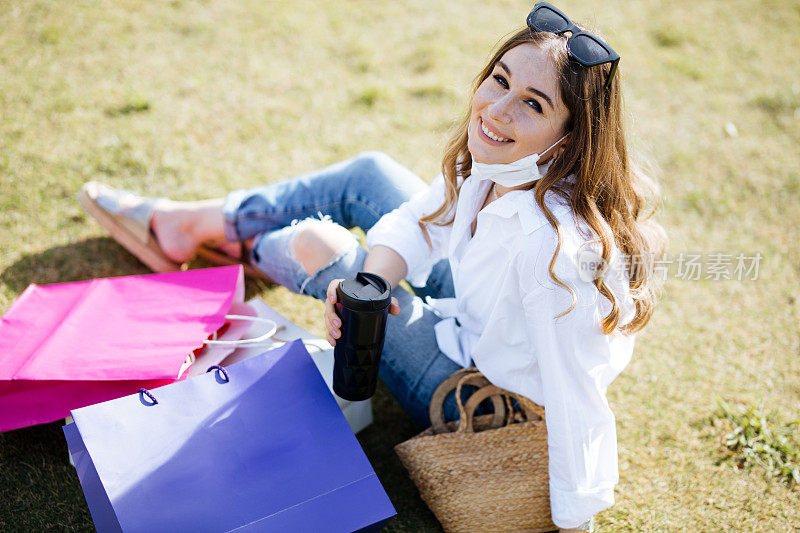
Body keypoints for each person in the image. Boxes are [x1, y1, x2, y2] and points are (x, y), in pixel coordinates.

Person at [79, 3, 666, 530]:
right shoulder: (495, 164)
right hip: (472, 311)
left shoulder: (554, 251)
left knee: (315, 244)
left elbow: (576, 390)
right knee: (369, 174)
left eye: (532, 105)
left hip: (485, 393)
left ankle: (230, 247)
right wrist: (374, 283)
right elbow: (418, 221)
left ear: (565, 142)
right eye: (499, 80)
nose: (497, 110)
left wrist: (572, 513)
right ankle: (199, 227)